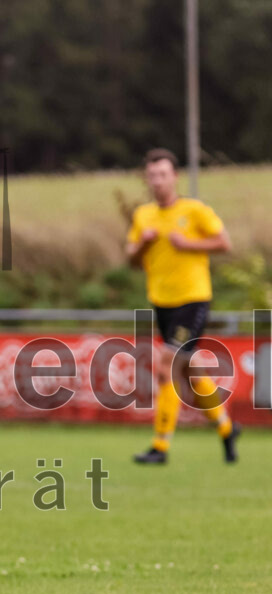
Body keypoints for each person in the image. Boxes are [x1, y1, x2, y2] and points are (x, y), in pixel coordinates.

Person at [126, 148, 239, 464]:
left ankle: (160, 447)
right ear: (146, 179)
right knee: (189, 373)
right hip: (162, 301)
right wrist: (144, 244)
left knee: (167, 367)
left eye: (163, 174)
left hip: (193, 299)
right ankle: (227, 429)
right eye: (151, 175)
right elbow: (132, 260)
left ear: (174, 177)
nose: (157, 181)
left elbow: (224, 242)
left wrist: (189, 244)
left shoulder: (195, 210)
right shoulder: (143, 216)